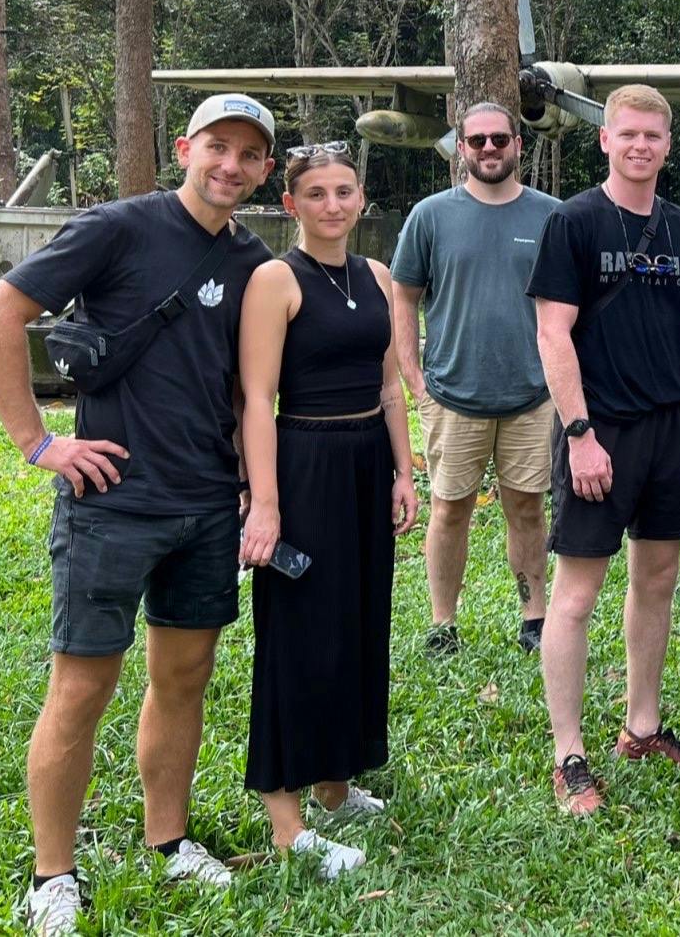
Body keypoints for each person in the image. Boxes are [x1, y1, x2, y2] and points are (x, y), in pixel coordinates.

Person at [0, 94, 278, 936]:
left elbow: (249, 388)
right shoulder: (118, 227)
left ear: (265, 171)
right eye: (218, 146)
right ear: (185, 147)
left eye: (250, 155)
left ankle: (168, 841)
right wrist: (39, 445)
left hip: (209, 505)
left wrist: (254, 483)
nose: (230, 166)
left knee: (183, 680)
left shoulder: (254, 258)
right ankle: (52, 876)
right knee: (82, 687)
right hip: (111, 504)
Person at [527, 84, 680, 815]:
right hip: (600, 428)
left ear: (668, 146)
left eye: (654, 135)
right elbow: (554, 333)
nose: (641, 145)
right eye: (628, 134)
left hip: (671, 428)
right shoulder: (575, 223)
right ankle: (569, 753)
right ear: (605, 141)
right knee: (577, 594)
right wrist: (580, 435)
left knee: (659, 579)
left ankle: (642, 726)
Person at [238, 144, 419, 879]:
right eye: (316, 194)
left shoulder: (376, 276)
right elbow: (255, 400)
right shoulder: (275, 280)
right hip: (304, 462)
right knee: (298, 634)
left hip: (367, 461)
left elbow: (389, 386)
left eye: (344, 191)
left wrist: (406, 472)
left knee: (356, 624)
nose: (333, 205)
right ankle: (287, 823)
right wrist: (267, 504)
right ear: (292, 205)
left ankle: (336, 783)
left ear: (361, 197)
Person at [391, 105, 561, 658]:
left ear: (518, 144)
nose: (489, 148)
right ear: (460, 148)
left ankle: (534, 616)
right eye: (477, 140)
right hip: (450, 394)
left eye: (499, 139)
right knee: (448, 508)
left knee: (527, 508)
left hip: (533, 396)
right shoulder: (430, 215)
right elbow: (404, 296)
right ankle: (444, 623)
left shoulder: (552, 217)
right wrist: (415, 378)